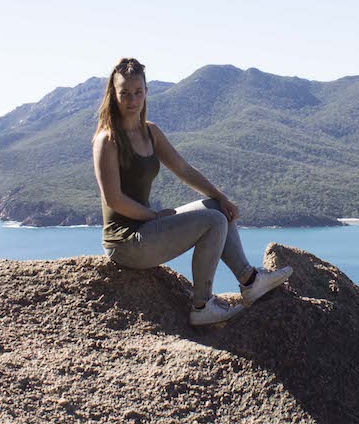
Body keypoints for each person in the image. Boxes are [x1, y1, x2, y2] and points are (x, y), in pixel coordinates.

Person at [93, 57, 291, 326]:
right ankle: (202, 306)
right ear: (113, 94)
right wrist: (152, 216)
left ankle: (250, 280)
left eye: (138, 92)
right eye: (124, 93)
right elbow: (113, 199)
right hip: (126, 243)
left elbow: (184, 169)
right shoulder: (107, 140)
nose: (132, 100)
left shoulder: (150, 132)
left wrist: (220, 196)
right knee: (213, 222)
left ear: (146, 92)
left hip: (145, 229)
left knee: (215, 209)